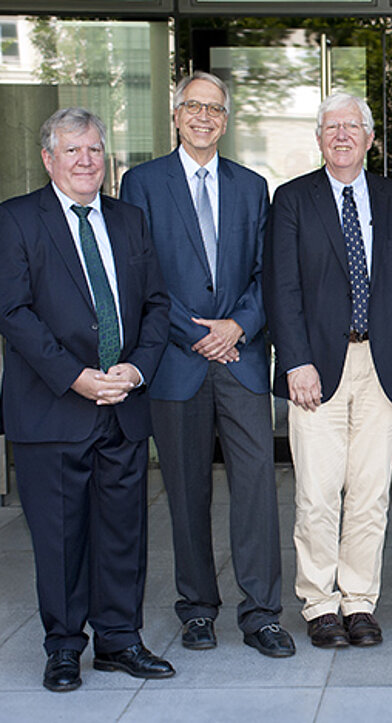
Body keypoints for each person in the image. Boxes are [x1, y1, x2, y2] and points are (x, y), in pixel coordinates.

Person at [120, 72, 294, 658]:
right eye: (193, 107)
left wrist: (240, 326)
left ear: (226, 119)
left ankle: (262, 612)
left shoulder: (252, 186)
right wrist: (195, 333)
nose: (203, 117)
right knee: (186, 491)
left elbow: (267, 273)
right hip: (176, 360)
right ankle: (197, 609)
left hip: (241, 358)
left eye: (214, 109)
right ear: (175, 115)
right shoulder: (141, 183)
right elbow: (139, 275)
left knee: (256, 492)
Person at [0, 108, 172, 691]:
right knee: (61, 536)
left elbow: (155, 305)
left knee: (123, 532)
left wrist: (137, 370)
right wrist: (75, 375)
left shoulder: (129, 220)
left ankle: (120, 641)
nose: (85, 161)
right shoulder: (17, 220)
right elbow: (13, 313)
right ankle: (65, 647)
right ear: (49, 158)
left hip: (122, 404)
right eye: (72, 150)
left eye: (95, 150)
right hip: (53, 408)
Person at [263, 91, 392, 649]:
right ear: (319, 138)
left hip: (384, 365)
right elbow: (280, 287)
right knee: (318, 493)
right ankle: (319, 602)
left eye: (352, 126)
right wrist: (295, 360)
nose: (341, 135)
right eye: (331, 127)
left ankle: (359, 601)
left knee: (371, 493)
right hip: (318, 367)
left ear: (371, 138)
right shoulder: (292, 199)